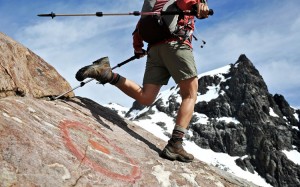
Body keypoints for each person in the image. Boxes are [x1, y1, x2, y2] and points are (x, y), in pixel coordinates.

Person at [75, 0, 210, 162]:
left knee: (146, 97)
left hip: (155, 49)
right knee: (190, 95)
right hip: (176, 46)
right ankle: (175, 144)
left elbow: (142, 24)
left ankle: (106, 74)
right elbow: (185, 3)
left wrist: (138, 47)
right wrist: (197, 6)